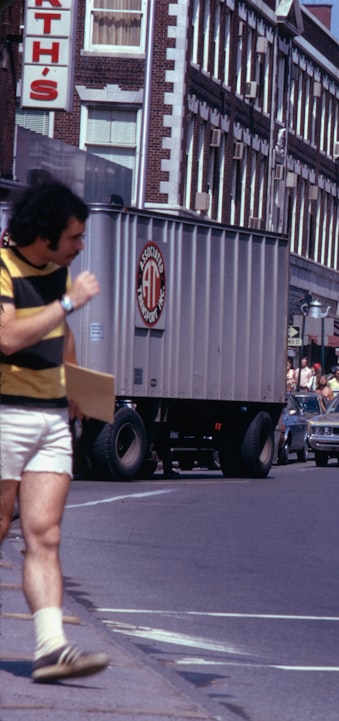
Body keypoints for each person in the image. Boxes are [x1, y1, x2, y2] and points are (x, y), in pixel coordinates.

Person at [0, 181, 110, 682]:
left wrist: (77, 390)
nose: (80, 246)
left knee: (45, 534)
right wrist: (68, 304)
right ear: (46, 234)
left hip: (49, 418)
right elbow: (7, 338)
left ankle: (50, 648)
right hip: (5, 413)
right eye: (75, 237)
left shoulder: (60, 273)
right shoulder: (2, 269)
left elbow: (60, 340)